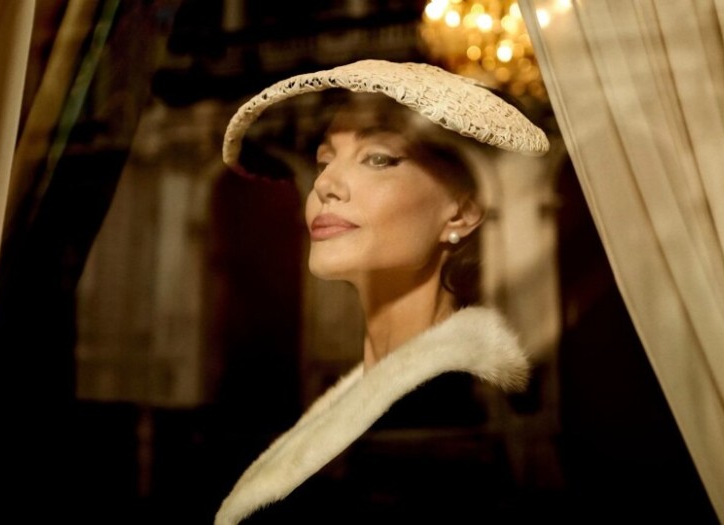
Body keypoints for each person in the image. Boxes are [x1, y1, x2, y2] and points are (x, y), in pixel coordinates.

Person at [214, 60, 549, 525]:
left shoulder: (433, 427)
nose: (324, 185)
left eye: (377, 159)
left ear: (462, 213)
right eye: (324, 161)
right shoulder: (383, 401)